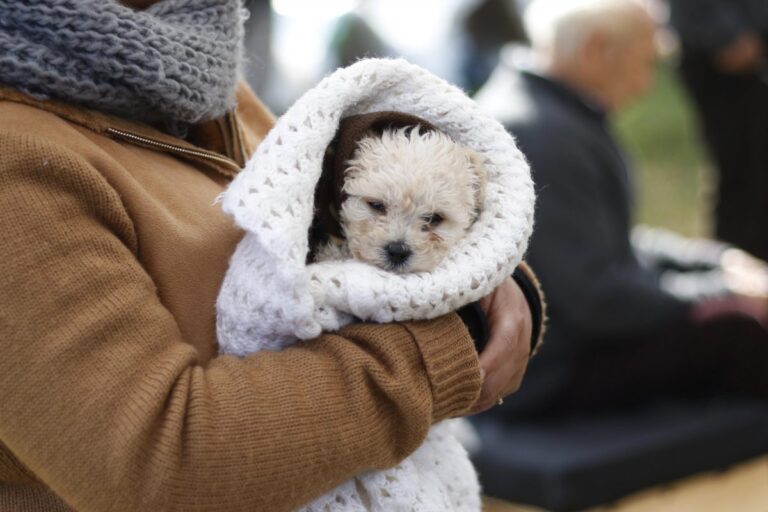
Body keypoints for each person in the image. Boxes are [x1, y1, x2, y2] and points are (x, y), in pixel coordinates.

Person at [0, 1, 543, 511]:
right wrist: (450, 338)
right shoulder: (19, 161)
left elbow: (318, 210)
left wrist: (489, 280)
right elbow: (163, 461)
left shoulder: (198, 73)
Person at [474, 0, 768, 418]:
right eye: (645, 63)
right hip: (549, 374)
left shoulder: (551, 109)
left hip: (569, 340)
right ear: (596, 49)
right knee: (744, 330)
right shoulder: (542, 133)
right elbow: (597, 300)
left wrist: (718, 262)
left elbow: (607, 243)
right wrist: (725, 292)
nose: (646, 85)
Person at [668, 0, 768, 262]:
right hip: (722, 57)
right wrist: (724, 36)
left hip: (754, 43)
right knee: (741, 172)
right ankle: (732, 269)